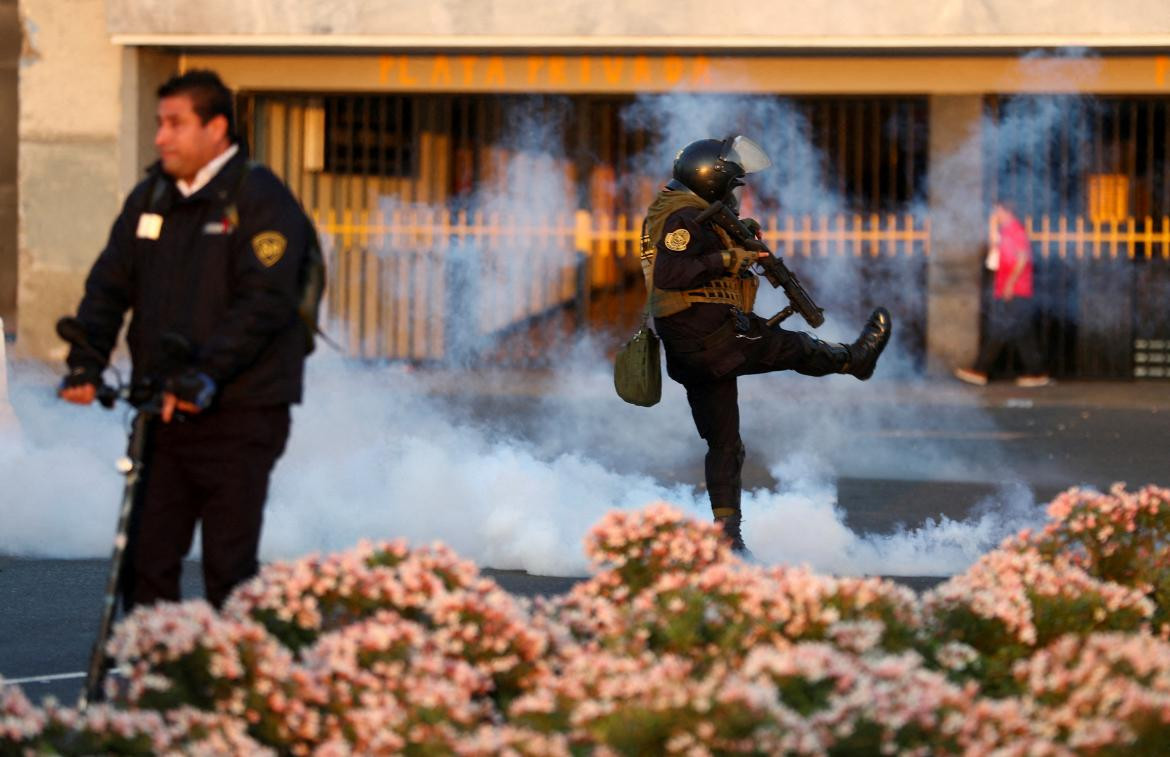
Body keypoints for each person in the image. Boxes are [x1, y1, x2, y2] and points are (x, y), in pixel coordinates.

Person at [58, 70, 315, 609]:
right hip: (164, 412)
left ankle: (235, 683)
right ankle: (157, 683)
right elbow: (110, 284)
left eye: (176, 124)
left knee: (228, 567)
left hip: (242, 413)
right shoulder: (151, 199)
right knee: (147, 562)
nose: (161, 138)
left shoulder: (261, 199)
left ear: (217, 128)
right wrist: (86, 361)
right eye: (159, 124)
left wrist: (205, 374)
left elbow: (264, 303)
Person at [644, 136, 892, 554]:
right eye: (730, 185)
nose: (734, 194)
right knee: (795, 347)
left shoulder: (688, 212)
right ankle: (855, 359)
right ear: (710, 181)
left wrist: (736, 242)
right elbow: (671, 274)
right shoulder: (681, 218)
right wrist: (728, 259)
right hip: (710, 338)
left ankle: (728, 537)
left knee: (725, 444)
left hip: (694, 346)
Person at [954, 200, 1051, 387]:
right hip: (1009, 289)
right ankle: (1034, 371)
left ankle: (981, 369)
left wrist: (1010, 283)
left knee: (1005, 330)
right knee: (1016, 332)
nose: (994, 214)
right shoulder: (1006, 231)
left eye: (996, 211)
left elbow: (1022, 259)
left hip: (1015, 290)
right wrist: (992, 225)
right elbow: (994, 252)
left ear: (1004, 211)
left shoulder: (1016, 230)